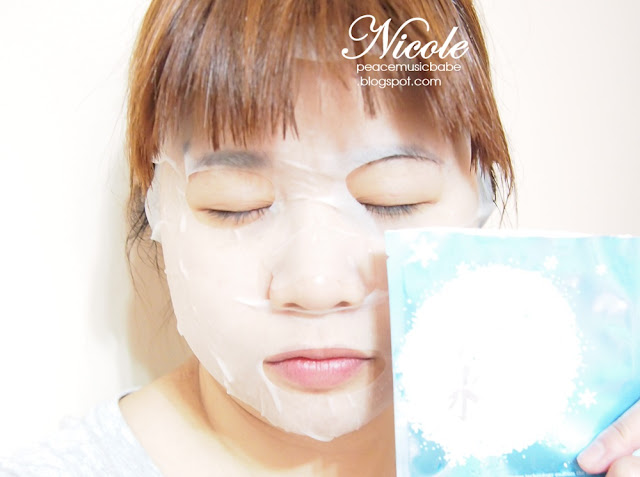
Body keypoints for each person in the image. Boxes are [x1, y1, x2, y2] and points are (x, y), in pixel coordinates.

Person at [1, 1, 638, 476]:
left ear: (484, 197)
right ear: (157, 215)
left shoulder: (579, 443)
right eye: (235, 206)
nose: (316, 286)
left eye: (392, 199)